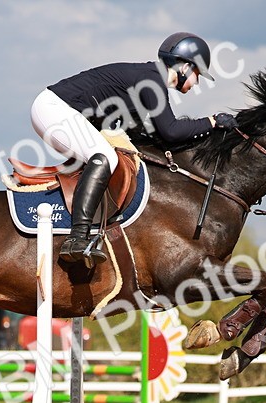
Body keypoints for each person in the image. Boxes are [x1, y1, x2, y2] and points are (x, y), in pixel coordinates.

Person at [31, 32, 238, 269]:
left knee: (110, 154)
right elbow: (171, 131)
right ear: (184, 67)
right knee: (105, 157)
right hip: (55, 110)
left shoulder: (149, 80)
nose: (196, 83)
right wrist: (212, 122)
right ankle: (77, 238)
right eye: (197, 74)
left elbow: (154, 136)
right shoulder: (152, 81)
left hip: (59, 110)